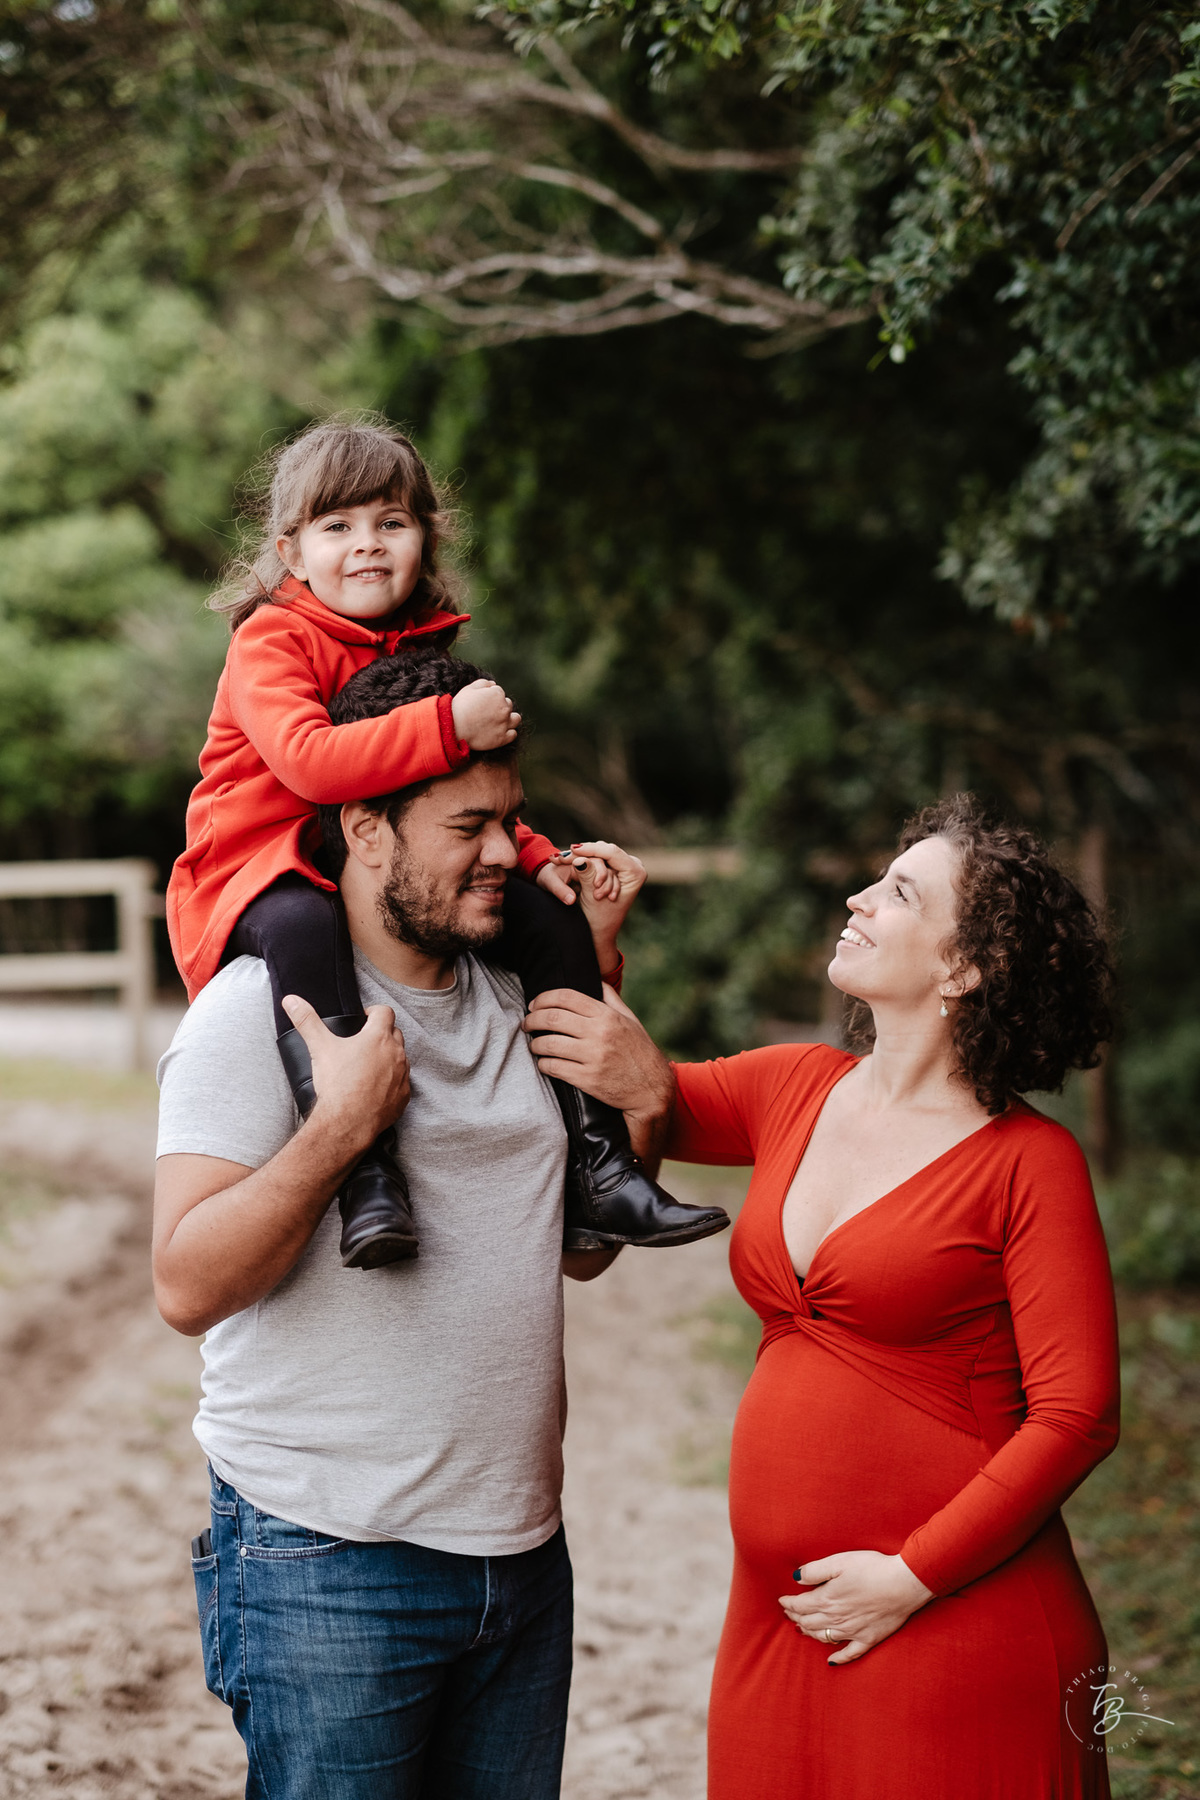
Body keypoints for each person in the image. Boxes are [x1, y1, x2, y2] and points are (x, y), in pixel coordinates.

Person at [523, 794, 1121, 1799]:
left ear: (964, 968)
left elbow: (1079, 1415)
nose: (857, 897)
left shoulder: (1031, 1165)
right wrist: (594, 950)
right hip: (775, 1620)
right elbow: (633, 1089)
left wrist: (912, 1576)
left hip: (954, 1616)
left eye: (896, 892)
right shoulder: (794, 1084)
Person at [154, 650, 666, 1798]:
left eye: (513, 821)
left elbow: (583, 1253)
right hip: (327, 1560)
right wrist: (338, 1134)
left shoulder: (519, 999)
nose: (505, 854)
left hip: (524, 1557)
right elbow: (185, 1285)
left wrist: (643, 1107)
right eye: (469, 826)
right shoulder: (257, 1013)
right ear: (367, 828)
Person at [166, 416, 727, 1266]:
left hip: (365, 855)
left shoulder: (422, 642)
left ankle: (601, 1169)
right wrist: (447, 721)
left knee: (550, 917)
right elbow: (313, 767)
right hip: (261, 865)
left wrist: (536, 857)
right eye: (338, 526)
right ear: (290, 551)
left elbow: (452, 800)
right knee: (306, 929)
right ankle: (366, 1177)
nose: (367, 545)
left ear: (426, 538)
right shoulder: (272, 638)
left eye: (392, 523)